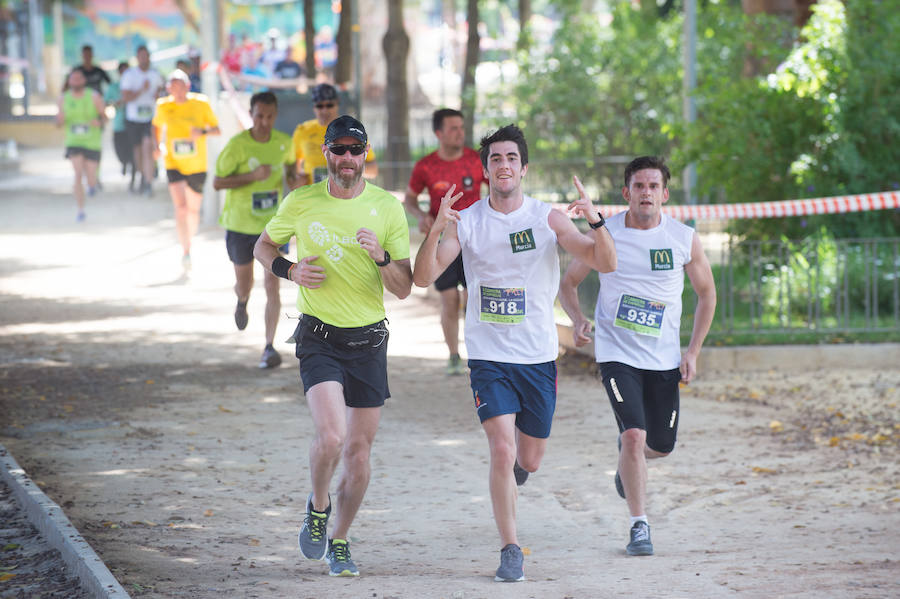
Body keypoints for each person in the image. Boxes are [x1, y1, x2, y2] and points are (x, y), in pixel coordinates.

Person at [412, 124, 616, 582]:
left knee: (530, 458)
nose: (503, 165)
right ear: (485, 170)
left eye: (511, 158)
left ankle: (519, 477)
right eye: (495, 159)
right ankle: (510, 548)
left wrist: (596, 221)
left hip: (538, 358)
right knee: (501, 451)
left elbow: (606, 262)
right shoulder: (468, 220)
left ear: (524, 168)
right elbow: (424, 277)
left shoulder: (548, 218)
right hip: (488, 357)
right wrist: (436, 228)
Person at [253, 115, 412, 577]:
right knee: (331, 437)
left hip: (369, 341)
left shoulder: (386, 208)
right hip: (319, 336)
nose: (347, 159)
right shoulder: (302, 201)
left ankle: (340, 540)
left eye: (355, 150)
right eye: (338, 149)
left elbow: (404, 288)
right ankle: (318, 505)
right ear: (325, 152)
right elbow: (264, 246)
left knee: (359, 455)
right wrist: (290, 270)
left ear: (366, 155)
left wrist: (380, 257)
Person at [558, 155, 716, 557]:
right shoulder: (605, 233)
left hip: (663, 359)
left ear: (665, 193)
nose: (646, 193)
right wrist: (577, 320)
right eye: (638, 186)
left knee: (660, 445)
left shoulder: (683, 238)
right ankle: (639, 525)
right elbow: (569, 283)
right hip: (617, 353)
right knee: (634, 434)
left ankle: (628, 467)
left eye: (653, 186)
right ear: (626, 193)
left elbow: (706, 295)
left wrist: (693, 351)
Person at [214, 92, 298, 369]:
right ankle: (242, 300)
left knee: (273, 284)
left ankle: (269, 346)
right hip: (240, 225)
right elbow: (217, 182)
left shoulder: (284, 143)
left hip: (272, 227)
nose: (264, 121)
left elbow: (290, 170)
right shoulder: (237, 145)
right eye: (259, 115)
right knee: (245, 282)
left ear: (275, 115)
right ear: (251, 114)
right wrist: (252, 176)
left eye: (269, 116)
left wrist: (294, 179)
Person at [403, 108, 486, 374]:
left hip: (475, 241)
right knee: (449, 299)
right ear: (438, 133)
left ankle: (479, 354)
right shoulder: (425, 165)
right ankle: (453, 355)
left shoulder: (477, 160)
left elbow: (497, 189)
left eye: (461, 127)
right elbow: (410, 199)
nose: (460, 133)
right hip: (443, 241)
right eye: (453, 128)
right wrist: (420, 217)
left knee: (473, 299)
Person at [152, 69, 220, 272]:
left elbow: (217, 130)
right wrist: (156, 146)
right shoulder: (163, 106)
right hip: (174, 163)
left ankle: (189, 239)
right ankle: (186, 249)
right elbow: (155, 126)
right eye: (173, 86)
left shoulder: (201, 103)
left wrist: (202, 132)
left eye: (181, 86)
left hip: (197, 166)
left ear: (188, 87)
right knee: (181, 208)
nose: (178, 90)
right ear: (168, 88)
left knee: (192, 210)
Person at [291, 83, 377, 187]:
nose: (324, 110)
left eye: (329, 105)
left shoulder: (351, 130)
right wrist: (297, 179)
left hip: (345, 194)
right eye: (320, 106)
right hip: (315, 195)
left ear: (337, 104)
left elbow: (373, 170)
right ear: (314, 107)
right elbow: (293, 166)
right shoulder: (303, 131)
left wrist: (350, 168)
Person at [56, 69, 106, 221]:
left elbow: (105, 117)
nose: (76, 81)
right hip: (73, 141)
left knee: (90, 175)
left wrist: (99, 122)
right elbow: (58, 123)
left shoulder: (94, 96)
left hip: (92, 141)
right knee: (77, 174)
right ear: (69, 81)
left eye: (79, 78)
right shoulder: (63, 99)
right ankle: (80, 209)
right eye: (73, 79)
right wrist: (60, 120)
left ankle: (92, 185)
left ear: (84, 80)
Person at [120, 45, 164, 196]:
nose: (144, 59)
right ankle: (141, 176)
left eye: (146, 56)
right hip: (133, 119)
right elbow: (125, 98)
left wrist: (157, 95)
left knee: (148, 147)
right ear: (137, 58)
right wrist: (141, 90)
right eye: (141, 56)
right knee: (137, 151)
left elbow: (160, 92)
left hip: (150, 119)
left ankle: (148, 182)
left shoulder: (155, 75)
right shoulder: (130, 75)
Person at [104, 61, 134, 185]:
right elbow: (106, 102)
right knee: (120, 149)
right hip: (119, 123)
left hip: (133, 123)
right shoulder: (114, 87)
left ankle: (132, 173)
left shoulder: (135, 86)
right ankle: (124, 163)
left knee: (133, 151)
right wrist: (116, 104)